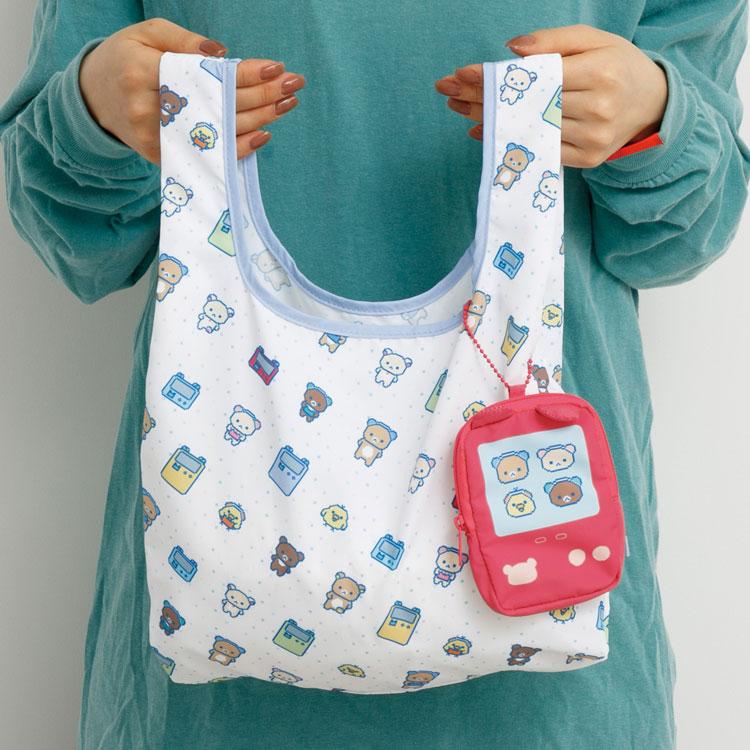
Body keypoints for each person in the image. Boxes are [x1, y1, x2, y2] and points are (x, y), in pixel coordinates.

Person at [1, 4, 748, 749]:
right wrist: (95, 112)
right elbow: (82, 242)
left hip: (545, 667)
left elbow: (680, 237)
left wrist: (653, 116)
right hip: (218, 682)